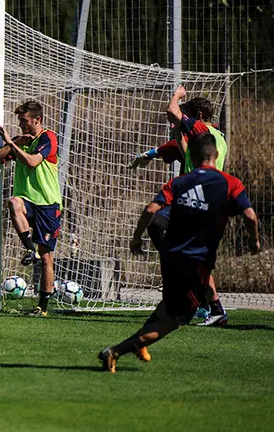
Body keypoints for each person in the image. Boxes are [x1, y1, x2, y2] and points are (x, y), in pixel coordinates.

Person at [99, 133, 260, 373]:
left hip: (170, 255)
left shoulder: (179, 182)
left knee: (169, 305)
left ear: (191, 157)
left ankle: (140, 343)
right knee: (176, 319)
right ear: (216, 155)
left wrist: (136, 238)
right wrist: (253, 241)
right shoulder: (230, 183)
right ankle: (118, 350)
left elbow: (151, 209)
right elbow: (250, 216)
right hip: (197, 262)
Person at [131, 90, 230, 326]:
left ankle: (212, 306)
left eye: (186, 118)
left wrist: (177, 95)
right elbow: (176, 147)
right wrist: (150, 154)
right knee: (156, 224)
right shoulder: (211, 138)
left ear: (197, 115)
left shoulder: (203, 131)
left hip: (197, 200)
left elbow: (172, 112)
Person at [0, 101, 62, 317]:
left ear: (36, 120)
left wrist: (12, 143)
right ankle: (30, 249)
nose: (20, 124)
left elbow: (31, 162)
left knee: (47, 258)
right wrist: (15, 143)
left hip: (48, 205)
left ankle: (43, 307)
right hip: (27, 201)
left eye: (24, 120)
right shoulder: (22, 141)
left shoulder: (48, 138)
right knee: (13, 202)